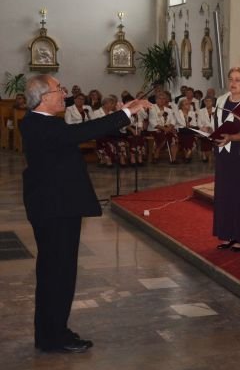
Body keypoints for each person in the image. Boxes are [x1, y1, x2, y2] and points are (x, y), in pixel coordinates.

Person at [20, 74, 150, 353]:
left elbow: (81, 132)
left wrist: (123, 112)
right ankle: (54, 336)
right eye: (59, 89)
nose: (63, 92)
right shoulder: (40, 125)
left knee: (54, 272)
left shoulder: (39, 122)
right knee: (59, 273)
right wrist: (127, 113)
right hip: (56, 209)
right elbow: (83, 132)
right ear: (44, 97)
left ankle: (50, 332)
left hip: (55, 207)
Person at [213, 66, 240, 252]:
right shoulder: (221, 100)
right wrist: (210, 132)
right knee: (225, 194)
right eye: (231, 79)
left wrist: (231, 137)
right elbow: (217, 124)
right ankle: (226, 233)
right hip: (224, 154)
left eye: (238, 80)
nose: (233, 83)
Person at [147, 92, 178, 163]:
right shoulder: (152, 108)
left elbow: (173, 120)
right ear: (156, 100)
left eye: (163, 99)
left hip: (167, 129)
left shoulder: (169, 110)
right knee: (162, 137)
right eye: (160, 98)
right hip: (155, 129)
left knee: (174, 138)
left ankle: (173, 159)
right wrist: (165, 129)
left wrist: (169, 128)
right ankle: (156, 154)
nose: (162, 100)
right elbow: (152, 122)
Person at [174, 97, 198, 163]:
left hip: (190, 130)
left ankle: (187, 153)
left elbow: (194, 123)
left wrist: (190, 125)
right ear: (182, 106)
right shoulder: (178, 113)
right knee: (186, 133)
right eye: (186, 104)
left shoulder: (192, 113)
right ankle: (188, 152)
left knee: (190, 132)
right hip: (181, 129)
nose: (188, 105)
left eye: (189, 104)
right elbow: (179, 122)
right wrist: (187, 124)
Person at [195, 96, 216, 162]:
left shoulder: (216, 110)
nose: (208, 102)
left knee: (212, 135)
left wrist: (211, 128)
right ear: (204, 102)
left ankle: (210, 154)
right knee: (205, 135)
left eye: (210, 101)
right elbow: (199, 123)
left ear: (212, 102)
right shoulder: (201, 111)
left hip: (214, 129)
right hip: (204, 129)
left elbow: (218, 122)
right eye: (206, 101)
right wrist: (207, 128)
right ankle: (204, 154)